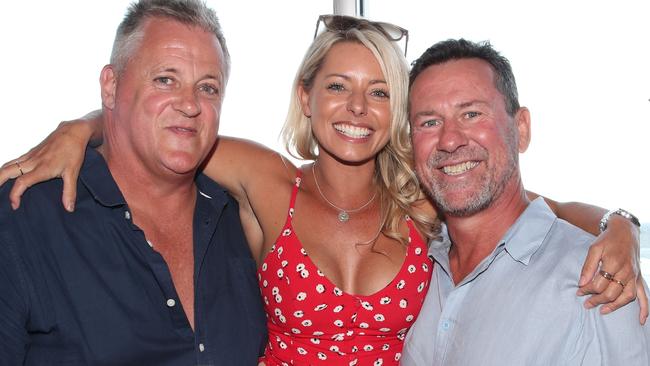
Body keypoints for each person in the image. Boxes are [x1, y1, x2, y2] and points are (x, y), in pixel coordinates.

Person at [0, 14, 645, 366]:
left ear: (393, 111)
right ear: (307, 97)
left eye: (378, 91)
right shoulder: (265, 181)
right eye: (337, 85)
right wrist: (77, 128)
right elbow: (167, 129)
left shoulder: (419, 205)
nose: (356, 107)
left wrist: (623, 226)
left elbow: (543, 211)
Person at [0, 1, 266, 365]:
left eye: (208, 88)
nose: (190, 104)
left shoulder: (239, 216)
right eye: (165, 80)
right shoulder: (24, 216)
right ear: (110, 86)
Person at [402, 39, 649, 365]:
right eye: (429, 122)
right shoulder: (417, 263)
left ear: (521, 129)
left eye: (472, 113)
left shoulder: (598, 282)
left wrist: (623, 224)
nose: (449, 140)